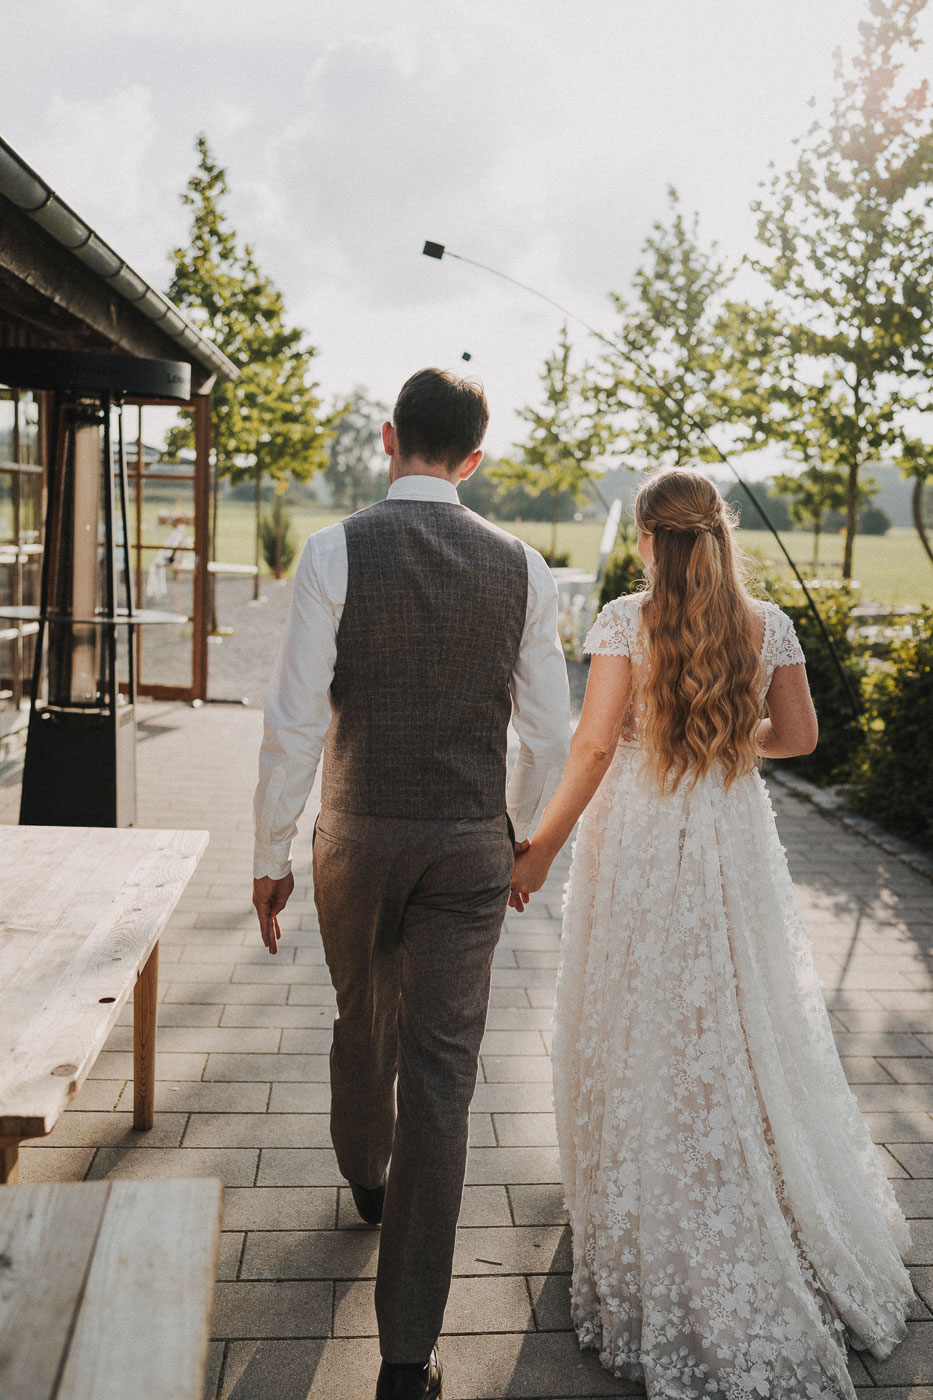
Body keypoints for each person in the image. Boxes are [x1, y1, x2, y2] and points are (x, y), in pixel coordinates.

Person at [510, 467, 912, 1400]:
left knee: (639, 1004)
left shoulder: (623, 619)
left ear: (648, 538)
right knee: (739, 1006)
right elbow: (801, 736)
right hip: (729, 834)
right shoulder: (766, 622)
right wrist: (724, 739)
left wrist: (536, 848)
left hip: (642, 838)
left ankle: (650, 1179)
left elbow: (595, 746)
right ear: (721, 533)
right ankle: (755, 1173)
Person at [252, 368, 570, 1400]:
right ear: (475, 457)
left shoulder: (335, 548)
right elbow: (551, 733)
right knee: (444, 1081)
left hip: (352, 836)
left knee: (362, 1016)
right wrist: (520, 839)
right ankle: (405, 1356)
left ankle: (364, 1171)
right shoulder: (525, 567)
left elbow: (295, 717)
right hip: (471, 849)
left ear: (390, 438)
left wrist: (269, 854)